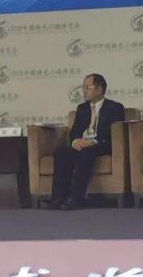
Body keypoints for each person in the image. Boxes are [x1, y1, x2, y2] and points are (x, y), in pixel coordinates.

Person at [50, 74, 125, 210]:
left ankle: (75, 198)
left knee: (87, 152)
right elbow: (75, 130)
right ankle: (57, 199)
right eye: (83, 87)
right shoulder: (82, 108)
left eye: (87, 87)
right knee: (61, 152)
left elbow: (111, 131)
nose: (84, 91)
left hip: (101, 145)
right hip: (82, 144)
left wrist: (92, 142)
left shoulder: (115, 107)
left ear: (99, 89)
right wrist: (75, 142)